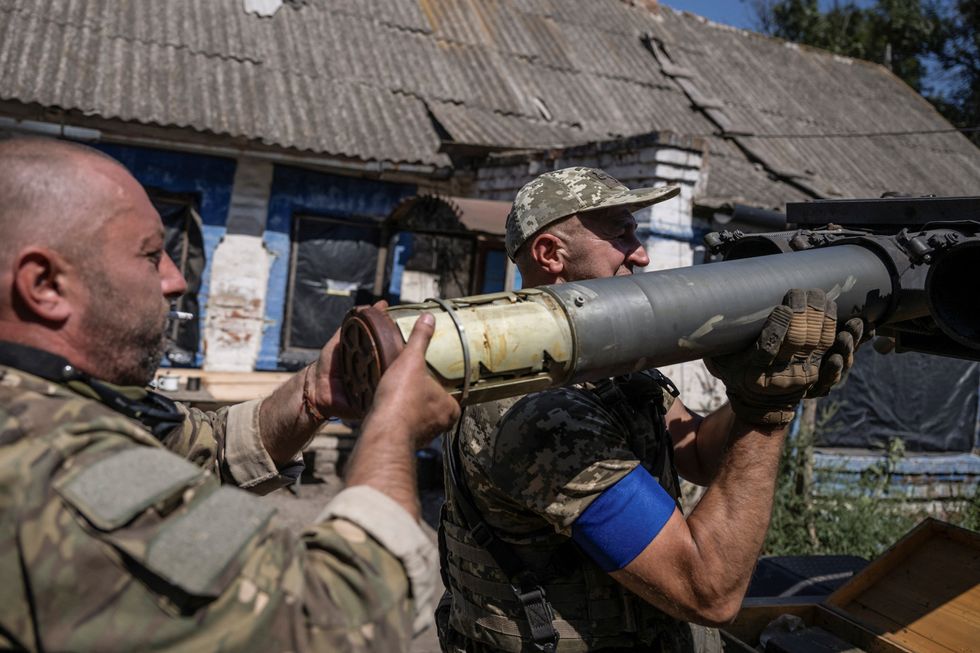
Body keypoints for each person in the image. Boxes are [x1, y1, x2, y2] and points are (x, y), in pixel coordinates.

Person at [0, 136, 461, 652]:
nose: (176, 280)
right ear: (44, 284)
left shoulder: (47, 393)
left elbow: (194, 448)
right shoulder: (51, 462)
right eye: (153, 256)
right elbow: (337, 619)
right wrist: (393, 427)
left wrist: (313, 392)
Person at [437, 167, 866, 653]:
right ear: (550, 253)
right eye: (621, 234)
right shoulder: (542, 411)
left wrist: (757, 393)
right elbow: (707, 590)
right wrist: (767, 415)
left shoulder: (601, 366)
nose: (640, 253)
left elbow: (699, 452)